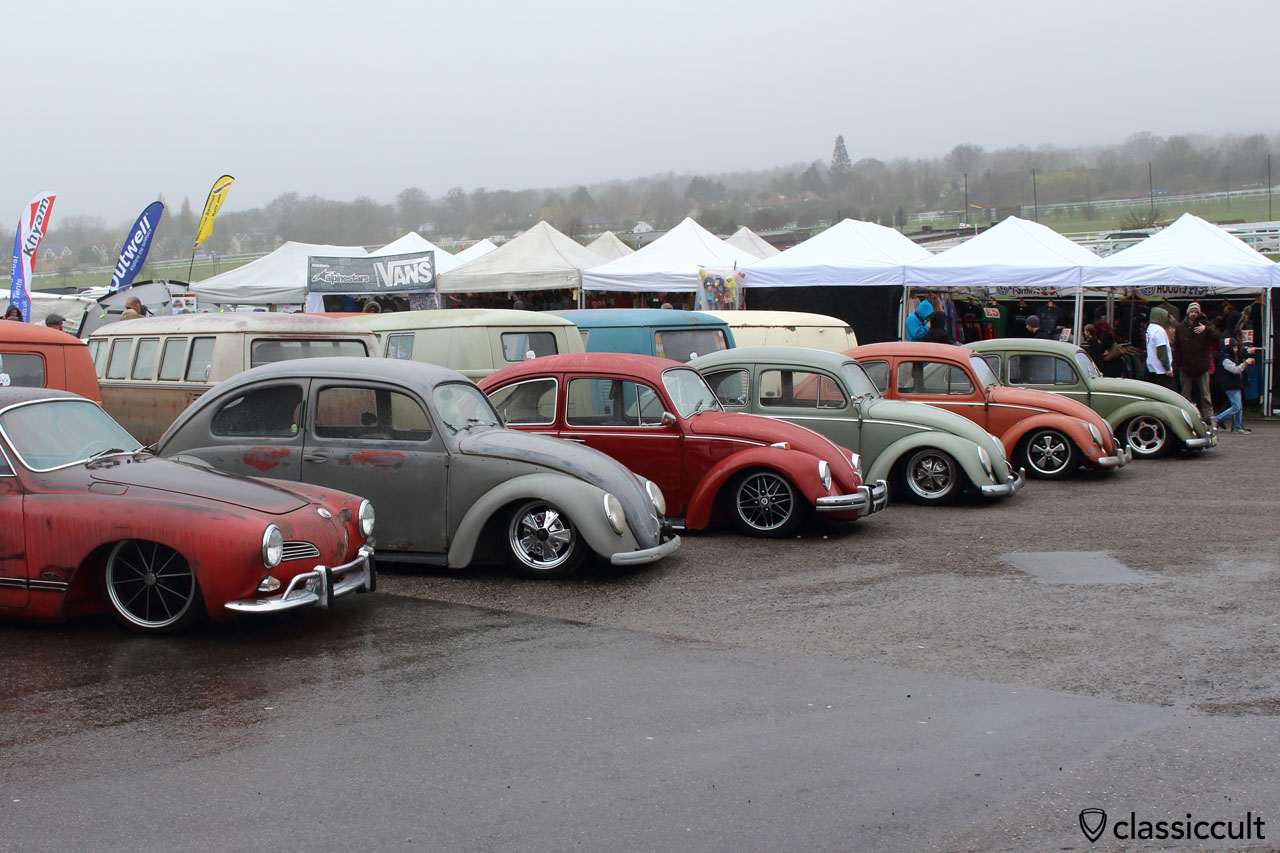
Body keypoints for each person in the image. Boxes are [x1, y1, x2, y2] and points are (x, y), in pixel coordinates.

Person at [1171, 302, 1219, 428]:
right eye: (1192, 312)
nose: (1193, 314)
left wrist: (1206, 329)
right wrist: (1179, 364)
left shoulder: (1205, 324)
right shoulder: (1181, 327)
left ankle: (1209, 418)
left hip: (1202, 365)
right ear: (1188, 312)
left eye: (1196, 312)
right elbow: (1176, 346)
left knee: (1205, 395)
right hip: (1186, 366)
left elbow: (1218, 336)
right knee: (1186, 395)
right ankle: (1184, 417)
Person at [1213, 336, 1256, 434]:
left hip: (1235, 385)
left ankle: (1237, 426)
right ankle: (1217, 419)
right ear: (1228, 348)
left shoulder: (1231, 357)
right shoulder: (1226, 359)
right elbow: (1235, 370)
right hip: (1230, 386)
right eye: (1234, 347)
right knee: (1236, 407)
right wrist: (1245, 363)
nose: (1236, 349)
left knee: (1239, 407)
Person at [1140, 312, 1173, 389]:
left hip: (1152, 366)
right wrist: (1167, 367)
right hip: (1161, 369)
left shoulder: (1150, 328)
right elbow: (1162, 350)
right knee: (1169, 392)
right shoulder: (1159, 331)